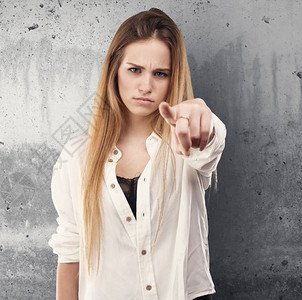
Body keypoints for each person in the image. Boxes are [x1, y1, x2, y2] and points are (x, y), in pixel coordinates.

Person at [48, 7, 227, 300]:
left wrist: (200, 115)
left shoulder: (185, 143)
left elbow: (210, 141)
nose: (146, 86)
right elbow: (70, 250)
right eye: (135, 70)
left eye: (160, 73)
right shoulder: (77, 155)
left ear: (173, 78)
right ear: (114, 70)